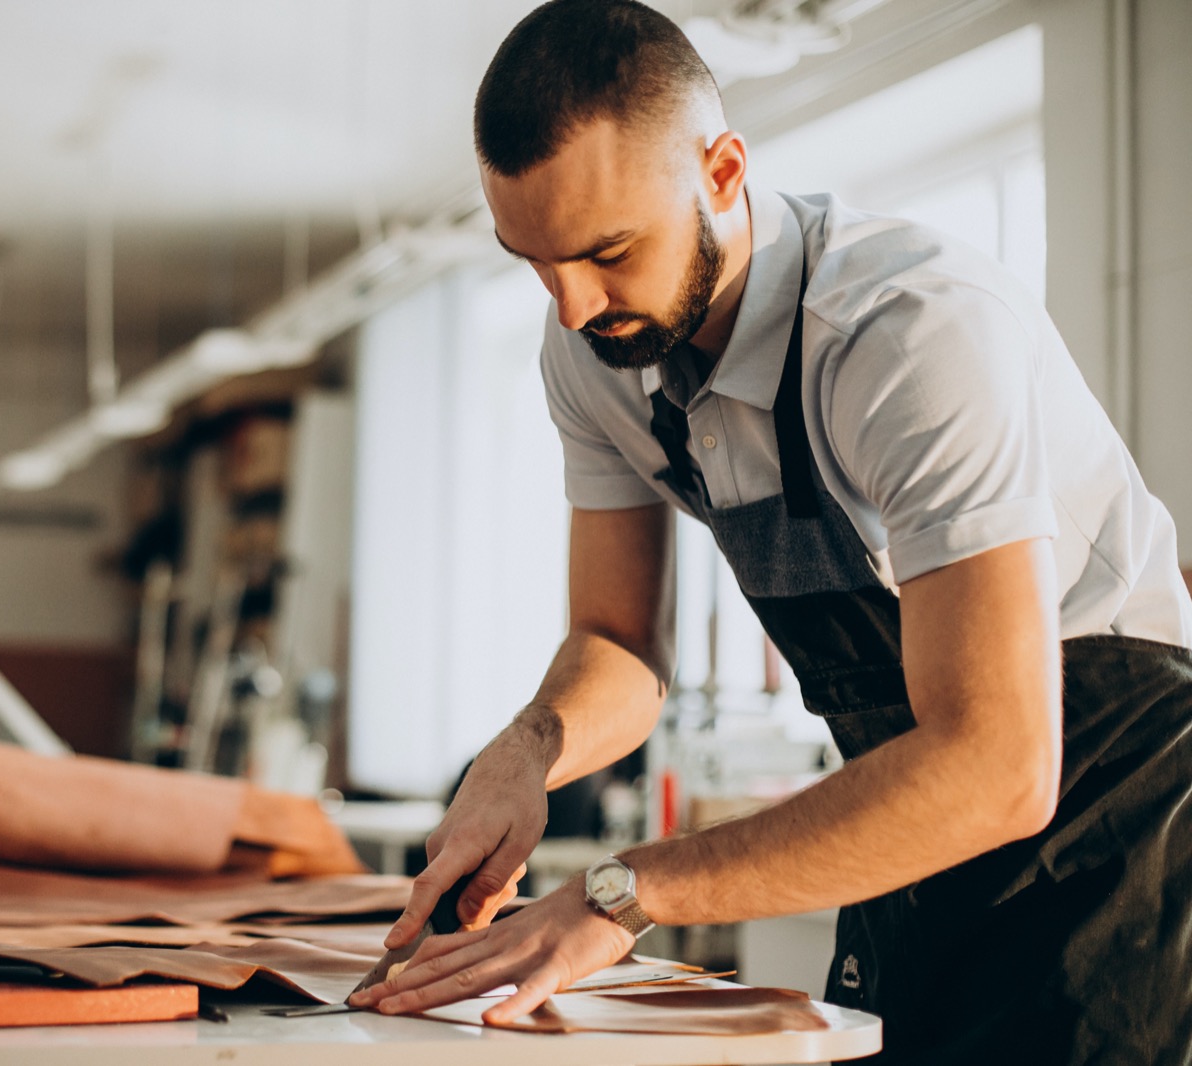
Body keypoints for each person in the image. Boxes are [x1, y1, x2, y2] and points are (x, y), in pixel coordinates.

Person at [345, 1, 1192, 1061]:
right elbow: (617, 642)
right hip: (906, 818)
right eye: (533, 260)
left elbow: (994, 763)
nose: (569, 307)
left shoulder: (906, 332)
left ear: (724, 172)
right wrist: (526, 751)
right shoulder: (594, 355)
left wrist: (622, 891)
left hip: (1114, 823)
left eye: (606, 251)